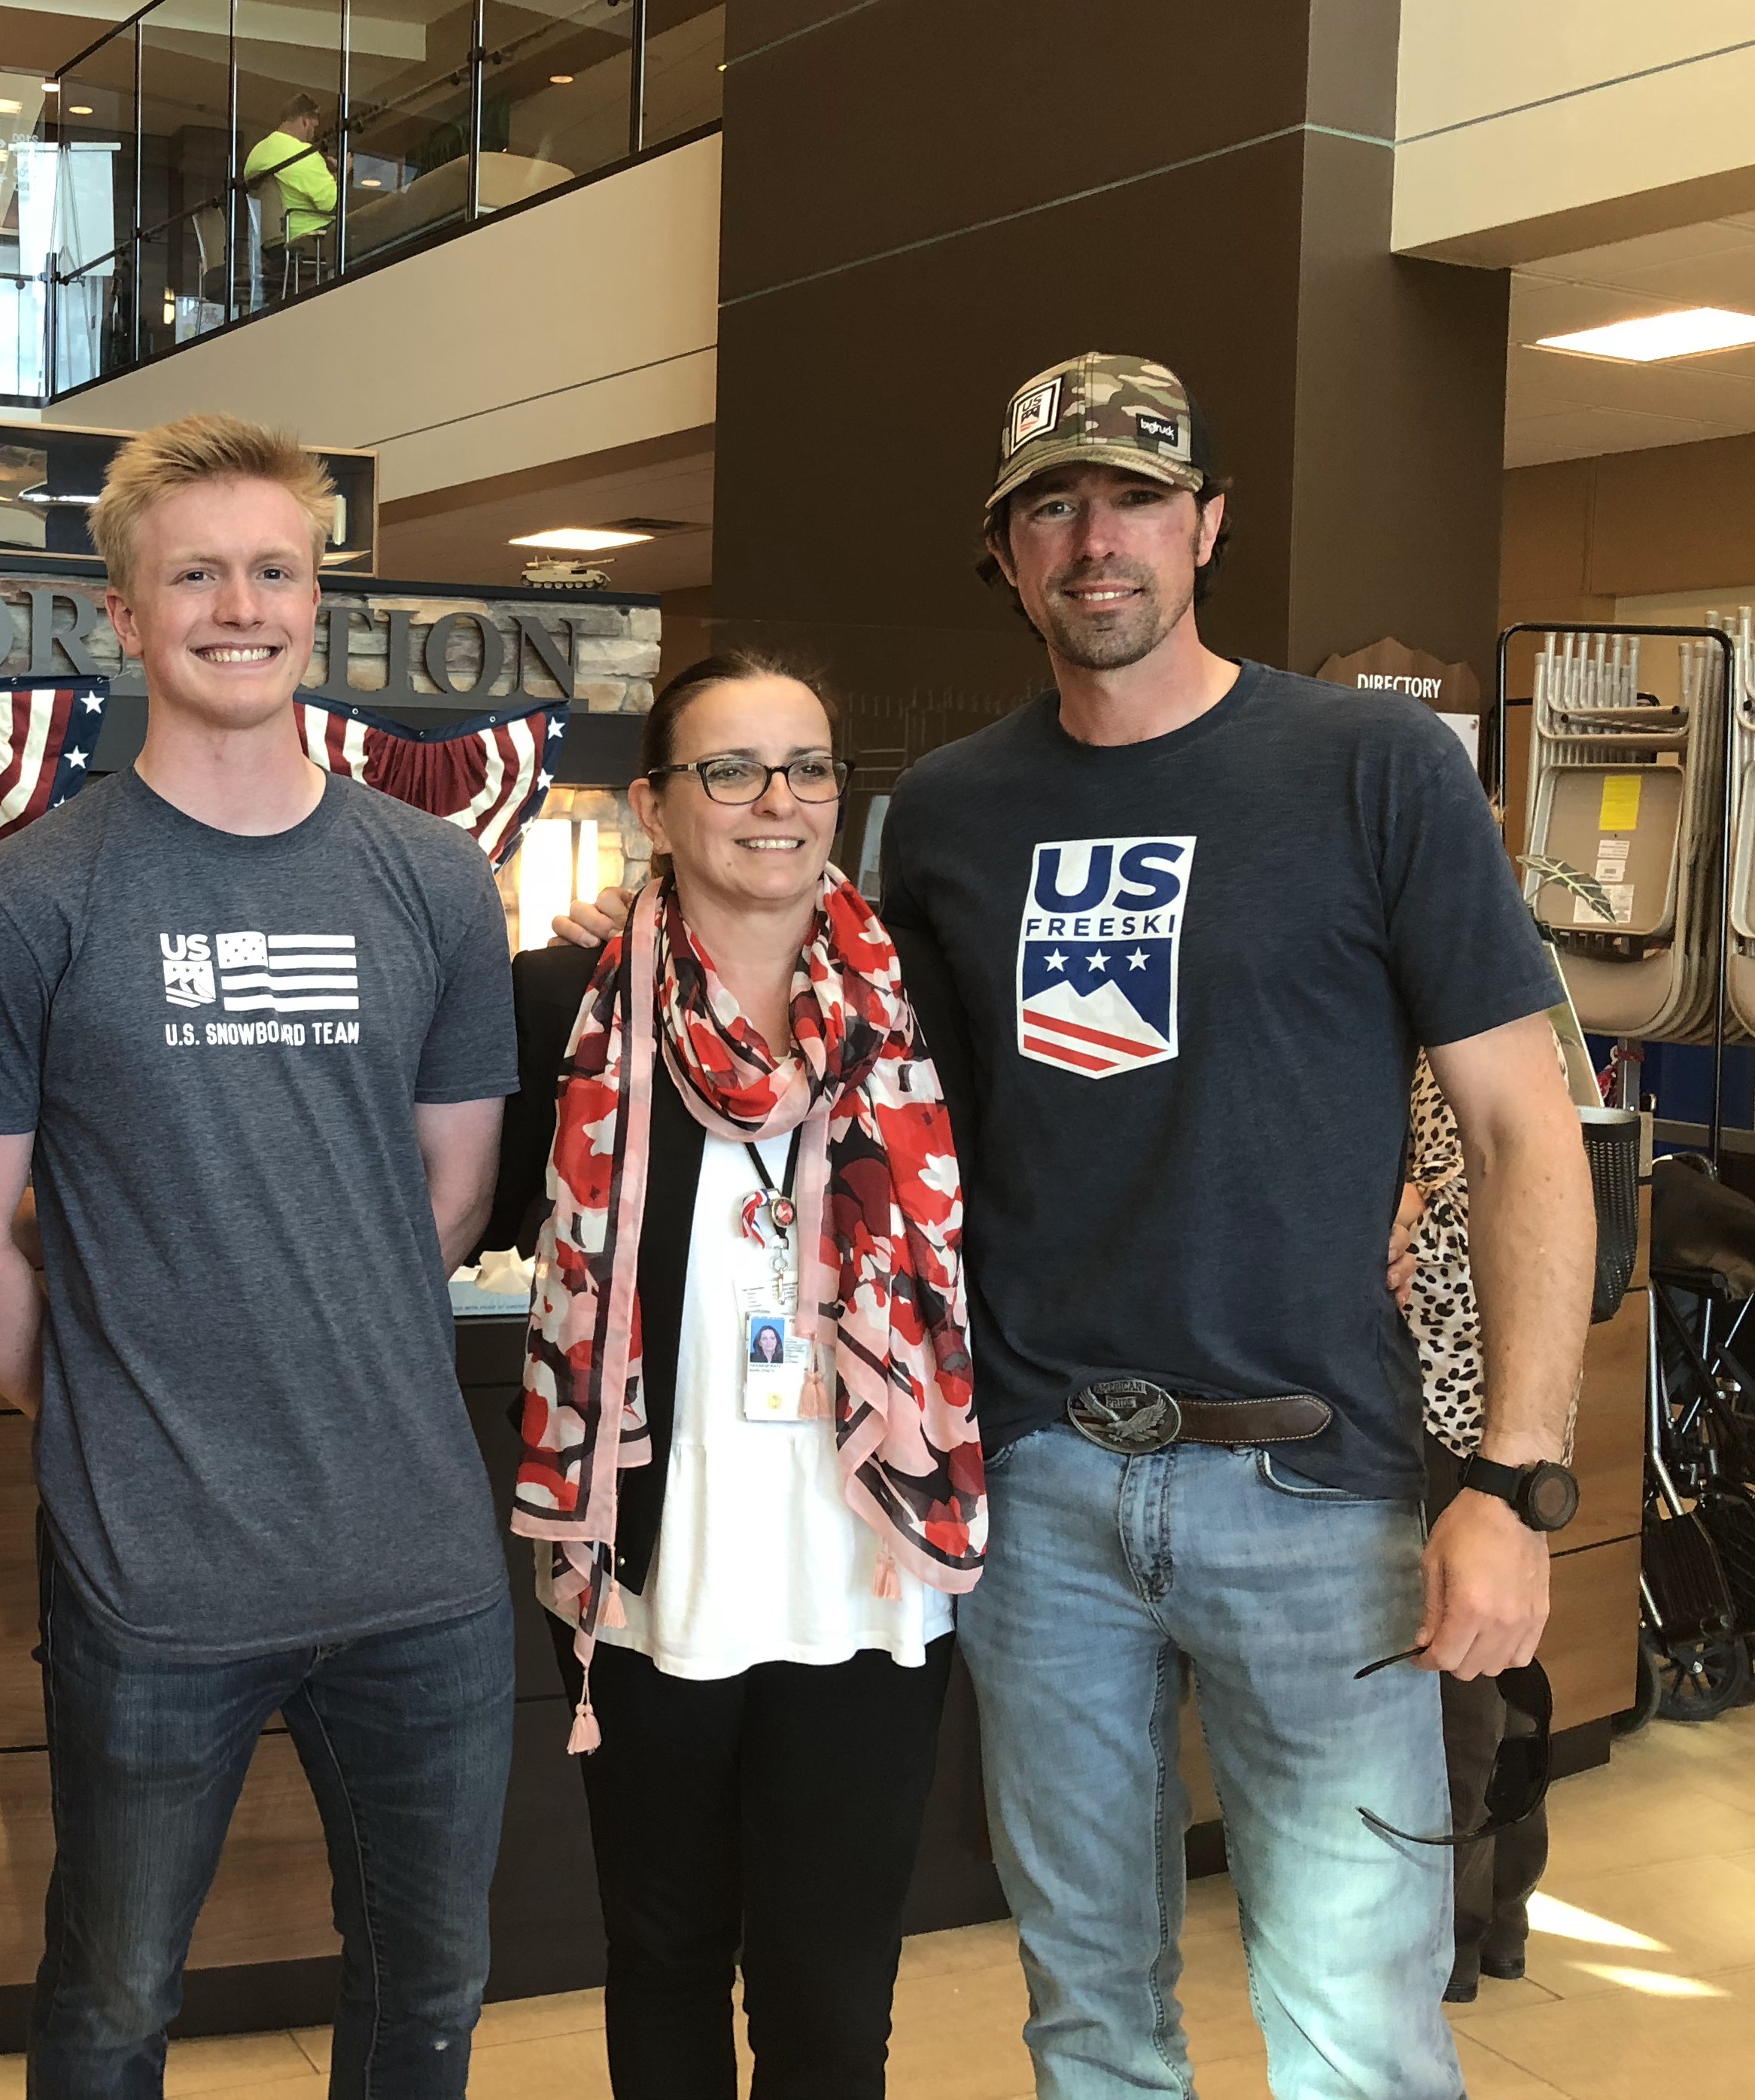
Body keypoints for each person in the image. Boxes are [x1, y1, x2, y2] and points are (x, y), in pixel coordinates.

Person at [555, 357, 1592, 2099]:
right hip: (1039, 1497)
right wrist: (656, 918)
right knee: (1090, 2016)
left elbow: (1517, 1127)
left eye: (1130, 498)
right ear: (1007, 551)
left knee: (1357, 2026)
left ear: (1208, 526)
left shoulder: (1372, 767)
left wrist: (1513, 1480)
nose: (1093, 538)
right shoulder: (950, 812)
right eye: (1052, 504)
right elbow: (869, 1087)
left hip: (1315, 1494)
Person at [0, 412, 518, 2096]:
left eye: (274, 571)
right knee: (113, 2001)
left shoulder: (430, 880)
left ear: (315, 603)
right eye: (195, 574)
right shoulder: (34, 900)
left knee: (431, 1992)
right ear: (123, 614)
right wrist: (125, 1406)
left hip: (417, 1569)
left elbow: (452, 1188)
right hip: (155, 1584)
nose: (238, 606)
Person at [494, 650, 981, 2098]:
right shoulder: (554, 1006)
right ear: (653, 802)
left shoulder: (920, 1004)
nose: (777, 800)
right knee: (660, 1960)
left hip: (870, 1569)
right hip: (650, 1578)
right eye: (729, 769)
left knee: (831, 1998)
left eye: (808, 766)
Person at [1396, 1057, 1557, 2004]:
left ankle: (1451, 1935)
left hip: (1442, 1409)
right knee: (1496, 1673)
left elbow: (1450, 1228)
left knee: (1451, 1684)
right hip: (1506, 1421)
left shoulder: (1437, 1043)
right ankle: (1500, 1914)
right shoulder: (1498, 1030)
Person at [242, 93, 339, 285]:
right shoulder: (302, 154)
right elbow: (331, 203)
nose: (313, 133)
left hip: (271, 245)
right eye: (313, 126)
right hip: (308, 239)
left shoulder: (257, 153)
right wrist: (340, 175)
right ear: (304, 121)